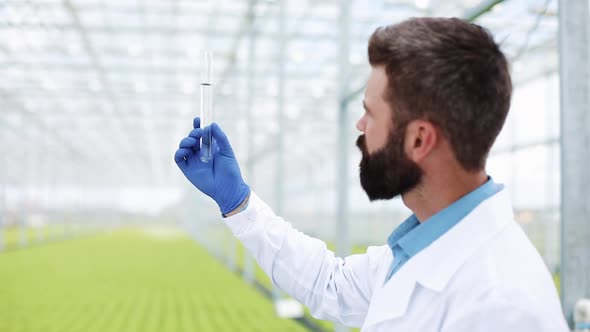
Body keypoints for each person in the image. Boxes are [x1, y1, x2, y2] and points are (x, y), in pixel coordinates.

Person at [174, 17, 568, 331]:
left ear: (419, 139)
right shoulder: (427, 246)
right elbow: (329, 284)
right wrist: (238, 202)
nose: (361, 125)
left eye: (372, 112)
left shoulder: (502, 308)